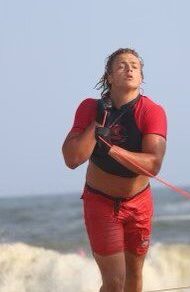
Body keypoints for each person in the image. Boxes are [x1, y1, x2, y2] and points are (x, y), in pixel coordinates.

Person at [62, 48, 167, 292]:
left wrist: (113, 150)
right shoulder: (90, 108)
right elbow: (72, 158)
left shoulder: (152, 111)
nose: (129, 69)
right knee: (115, 283)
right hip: (101, 202)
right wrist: (98, 125)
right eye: (121, 65)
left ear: (141, 76)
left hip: (138, 203)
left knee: (133, 277)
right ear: (109, 76)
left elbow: (153, 165)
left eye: (135, 66)